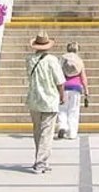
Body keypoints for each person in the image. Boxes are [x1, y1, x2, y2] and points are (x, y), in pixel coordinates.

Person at [25, 31, 66, 174]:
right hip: (49, 99)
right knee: (47, 133)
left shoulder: (29, 60)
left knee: (38, 131)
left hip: (34, 99)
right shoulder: (52, 60)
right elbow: (59, 81)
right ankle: (40, 162)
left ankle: (40, 158)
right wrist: (62, 95)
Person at [57, 42, 89, 140]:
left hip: (64, 86)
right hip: (76, 87)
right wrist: (86, 90)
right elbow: (83, 77)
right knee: (73, 110)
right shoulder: (79, 60)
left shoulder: (62, 59)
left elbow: (58, 74)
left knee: (62, 109)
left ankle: (62, 126)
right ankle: (72, 133)